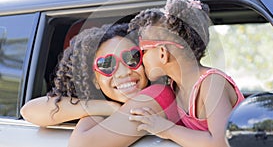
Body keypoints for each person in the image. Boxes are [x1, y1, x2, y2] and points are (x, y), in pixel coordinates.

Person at [21, 23, 181, 146]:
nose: (123, 72)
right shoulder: (110, 106)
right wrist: (105, 107)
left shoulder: (157, 95)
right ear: (94, 80)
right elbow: (28, 111)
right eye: (107, 65)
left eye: (132, 57)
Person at [128, 0, 245, 147]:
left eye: (142, 51)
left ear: (163, 53)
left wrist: (167, 130)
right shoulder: (174, 85)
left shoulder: (211, 83)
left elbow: (221, 142)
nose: (140, 60)